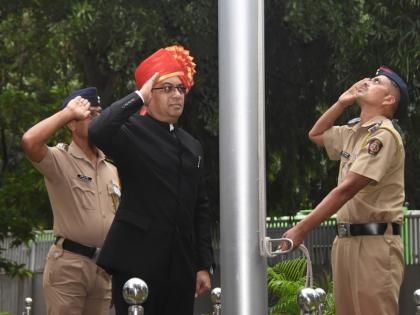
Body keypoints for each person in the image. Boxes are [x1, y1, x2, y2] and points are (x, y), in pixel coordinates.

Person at [88, 45, 214, 315]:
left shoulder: (192, 145)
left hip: (180, 265)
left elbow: (200, 207)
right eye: (167, 88)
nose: (177, 95)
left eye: (181, 89)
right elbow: (97, 131)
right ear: (149, 94)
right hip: (137, 259)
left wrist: (203, 263)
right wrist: (138, 97)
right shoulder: (130, 130)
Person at [282, 66, 409, 315]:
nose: (367, 82)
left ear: (388, 99)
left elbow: (346, 189)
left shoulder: (382, 136)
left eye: (376, 81)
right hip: (345, 242)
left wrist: (301, 228)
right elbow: (316, 133)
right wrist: (341, 102)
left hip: (375, 244)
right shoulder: (353, 133)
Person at [21, 87, 120, 315]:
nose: (97, 120)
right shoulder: (60, 159)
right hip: (69, 267)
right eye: (89, 114)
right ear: (72, 124)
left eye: (99, 114)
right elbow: (29, 141)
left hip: (104, 269)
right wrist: (67, 112)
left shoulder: (111, 168)